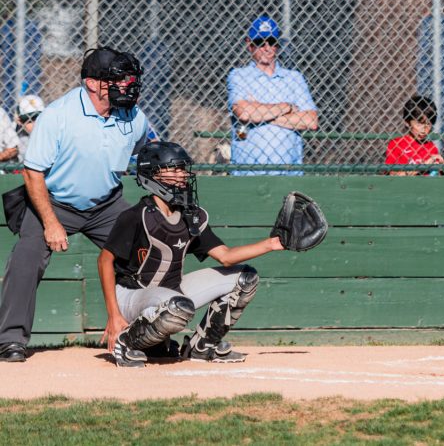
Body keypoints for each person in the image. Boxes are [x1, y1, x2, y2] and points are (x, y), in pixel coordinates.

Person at [0, 47, 149, 362]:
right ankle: (10, 339)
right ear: (93, 84)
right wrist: (51, 222)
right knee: (27, 256)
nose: (126, 84)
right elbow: (32, 172)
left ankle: (146, 333)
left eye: (127, 78)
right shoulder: (59, 115)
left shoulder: (133, 115)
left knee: (145, 250)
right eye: (117, 79)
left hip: (107, 203)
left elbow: (144, 151)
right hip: (55, 202)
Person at [98, 142, 283, 367]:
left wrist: (272, 244)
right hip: (131, 295)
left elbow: (225, 256)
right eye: (174, 169)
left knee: (245, 279)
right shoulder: (137, 216)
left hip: (171, 294)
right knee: (179, 306)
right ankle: (126, 342)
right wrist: (113, 315)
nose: (182, 175)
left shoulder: (191, 215)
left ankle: (202, 347)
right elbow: (104, 261)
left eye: (183, 169)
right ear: (152, 174)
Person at [227, 15, 318, 176]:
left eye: (272, 42)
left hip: (289, 173)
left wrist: (261, 114)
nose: (266, 47)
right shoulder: (239, 75)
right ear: (249, 44)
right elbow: (244, 112)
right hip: (248, 172)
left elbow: (310, 121)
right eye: (259, 42)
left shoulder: (294, 78)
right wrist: (286, 107)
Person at [384, 95, 444, 176]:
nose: (424, 129)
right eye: (419, 124)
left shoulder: (431, 147)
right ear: (407, 122)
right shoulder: (396, 144)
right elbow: (394, 176)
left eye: (428, 124)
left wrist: (443, 167)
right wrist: (423, 166)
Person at [14, 94, 45, 163]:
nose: (35, 123)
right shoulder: (14, 136)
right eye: (29, 120)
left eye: (38, 118)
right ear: (19, 121)